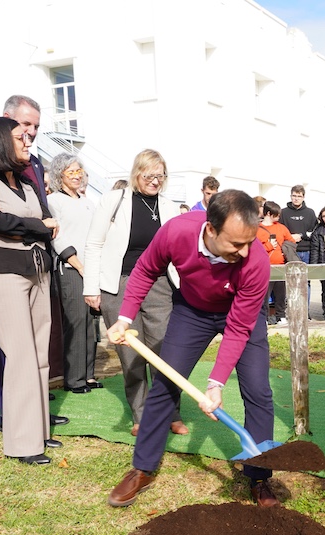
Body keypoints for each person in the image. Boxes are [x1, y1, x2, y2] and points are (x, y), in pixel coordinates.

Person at [106, 190, 280, 508]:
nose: (244, 252)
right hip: (193, 311)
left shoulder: (255, 259)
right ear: (211, 230)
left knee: (258, 391)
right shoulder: (177, 232)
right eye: (236, 244)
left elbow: (239, 328)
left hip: (242, 315)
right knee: (165, 385)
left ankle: (259, 477)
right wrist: (125, 317)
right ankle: (143, 468)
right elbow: (145, 270)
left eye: (249, 242)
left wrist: (215, 384)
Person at [0, 94, 68, 431]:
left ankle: (37, 425)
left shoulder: (26, 173)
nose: (30, 134)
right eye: (23, 128)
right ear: (3, 131)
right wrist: (37, 227)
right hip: (3, 271)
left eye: (34, 127)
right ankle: (18, 427)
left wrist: (38, 227)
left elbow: (44, 213)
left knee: (38, 355)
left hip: (37, 267)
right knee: (17, 355)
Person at [83, 150, 186, 437]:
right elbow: (93, 244)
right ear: (136, 174)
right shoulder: (113, 201)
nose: (155, 181)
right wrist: (91, 288)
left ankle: (170, 412)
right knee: (131, 355)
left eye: (160, 176)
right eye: (148, 175)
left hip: (159, 284)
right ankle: (141, 415)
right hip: (118, 284)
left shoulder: (168, 206)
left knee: (163, 350)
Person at [47, 153, 99, 393]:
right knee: (76, 322)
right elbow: (58, 237)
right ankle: (74, 379)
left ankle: (88, 375)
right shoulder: (54, 201)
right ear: (60, 175)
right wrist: (78, 264)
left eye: (79, 171)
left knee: (90, 323)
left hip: (91, 268)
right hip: (70, 267)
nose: (77, 175)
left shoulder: (87, 201)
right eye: (71, 171)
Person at [279, 185, 318, 312]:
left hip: (306, 251)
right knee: (291, 282)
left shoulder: (310, 212)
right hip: (290, 251)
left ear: (303, 197)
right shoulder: (283, 212)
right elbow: (280, 231)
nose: (296, 198)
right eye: (294, 196)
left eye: (299, 196)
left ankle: (305, 312)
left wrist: (301, 235)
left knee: (305, 282)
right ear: (290, 196)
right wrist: (290, 237)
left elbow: (314, 232)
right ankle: (293, 312)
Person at [257, 200, 294, 325]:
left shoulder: (281, 227)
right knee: (264, 295)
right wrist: (267, 246)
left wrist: (285, 251)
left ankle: (281, 316)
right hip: (264, 267)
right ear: (268, 213)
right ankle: (264, 317)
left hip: (280, 265)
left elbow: (291, 242)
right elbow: (253, 249)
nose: (278, 217)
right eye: (276, 214)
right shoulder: (257, 229)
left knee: (281, 293)